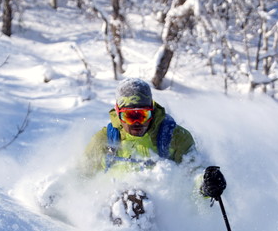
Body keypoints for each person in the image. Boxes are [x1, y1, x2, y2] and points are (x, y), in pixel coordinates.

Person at [82, 78, 227, 213]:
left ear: (152, 112)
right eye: (130, 116)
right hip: (112, 210)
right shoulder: (105, 140)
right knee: (129, 199)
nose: (137, 123)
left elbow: (193, 172)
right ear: (119, 114)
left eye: (142, 115)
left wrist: (206, 184)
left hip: (165, 214)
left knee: (135, 198)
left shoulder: (175, 138)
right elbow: (80, 176)